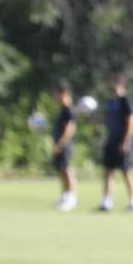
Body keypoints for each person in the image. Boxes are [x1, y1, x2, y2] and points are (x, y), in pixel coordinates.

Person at [99, 73, 133, 212]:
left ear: (121, 85)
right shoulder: (110, 101)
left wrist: (126, 141)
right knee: (108, 170)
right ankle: (107, 202)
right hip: (111, 140)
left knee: (126, 171)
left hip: (123, 141)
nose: (112, 86)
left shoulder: (126, 101)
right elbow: (107, 121)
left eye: (115, 83)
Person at [50, 83, 78, 211]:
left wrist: (61, 144)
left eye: (56, 93)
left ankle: (71, 198)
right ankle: (65, 196)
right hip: (60, 144)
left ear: (63, 93)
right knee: (62, 170)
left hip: (64, 144)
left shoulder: (68, 109)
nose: (54, 96)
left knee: (67, 170)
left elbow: (70, 128)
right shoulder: (62, 108)